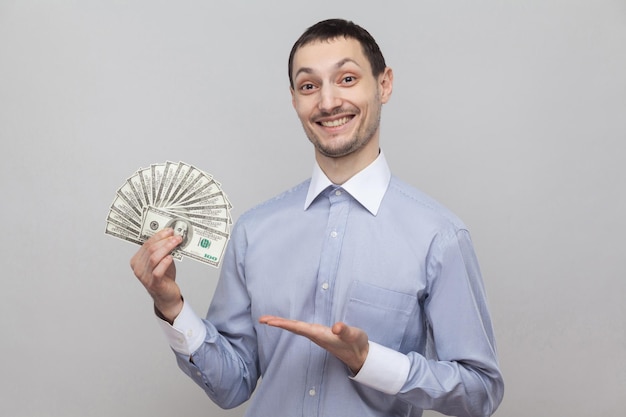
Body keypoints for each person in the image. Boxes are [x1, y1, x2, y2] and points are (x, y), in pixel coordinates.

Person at [130, 18, 504, 417]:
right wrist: (172, 307)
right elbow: (232, 386)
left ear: (384, 84)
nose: (327, 103)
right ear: (295, 101)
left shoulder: (439, 237)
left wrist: (368, 361)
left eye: (346, 79)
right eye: (309, 86)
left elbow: (480, 392)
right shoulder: (254, 232)